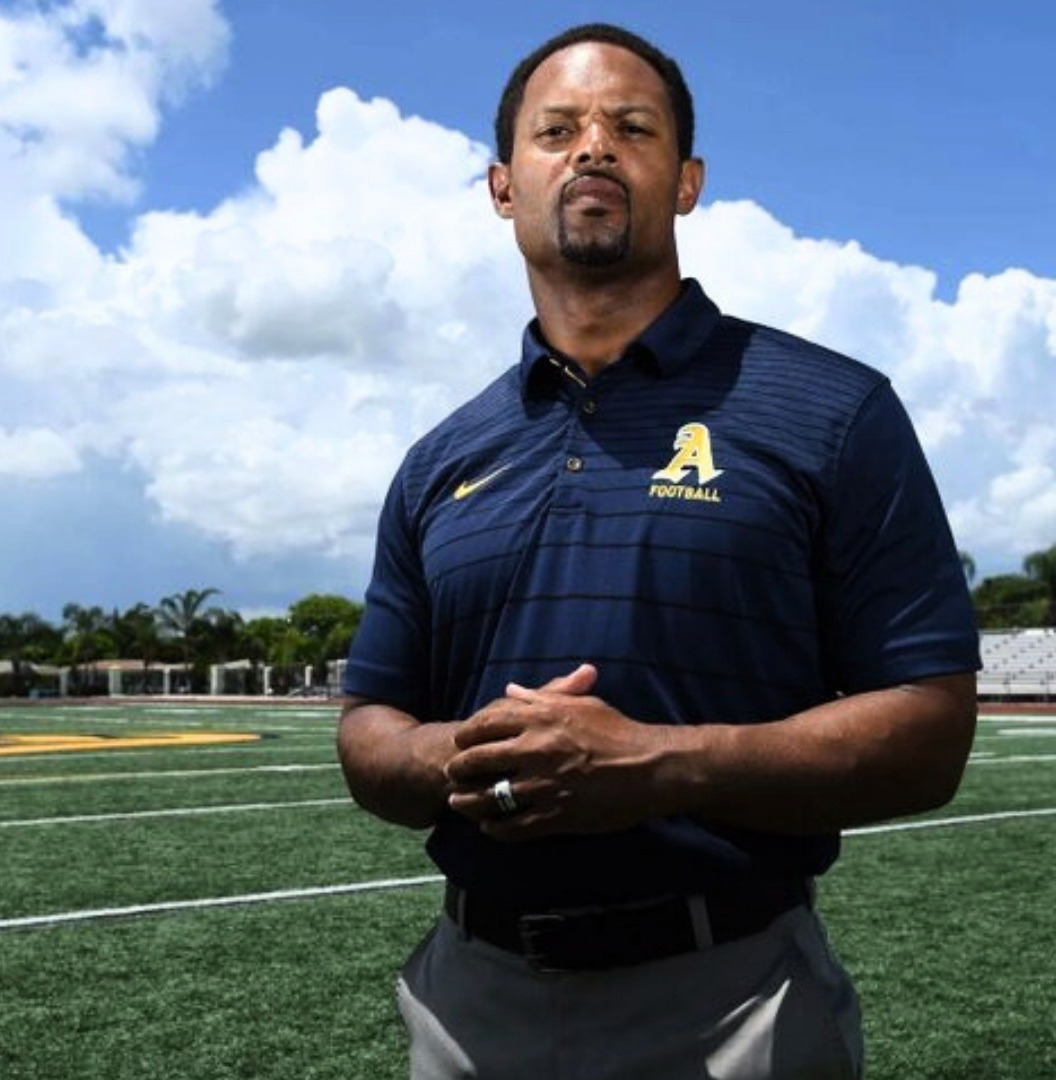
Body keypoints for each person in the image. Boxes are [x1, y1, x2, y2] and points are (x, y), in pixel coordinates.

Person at [337, 22, 980, 1080]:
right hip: (471, 1006)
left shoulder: (835, 410)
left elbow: (931, 729)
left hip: (735, 1004)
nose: (592, 148)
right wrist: (470, 760)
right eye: (558, 131)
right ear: (503, 187)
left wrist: (656, 765)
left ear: (685, 182)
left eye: (630, 128)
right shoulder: (437, 461)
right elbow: (370, 723)